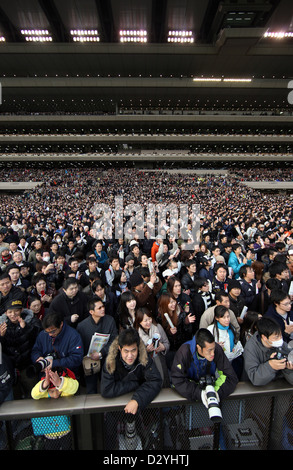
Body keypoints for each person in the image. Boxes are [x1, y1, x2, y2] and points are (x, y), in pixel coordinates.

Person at [100, 328, 162, 414]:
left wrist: (137, 400)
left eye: (133, 350)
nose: (130, 356)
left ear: (138, 347)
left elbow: (156, 380)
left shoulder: (144, 358)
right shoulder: (111, 361)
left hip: (141, 407)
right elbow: (106, 390)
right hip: (116, 410)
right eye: (126, 351)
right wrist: (135, 384)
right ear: (119, 348)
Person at [171, 328, 238, 404]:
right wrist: (200, 394)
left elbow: (231, 377)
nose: (213, 353)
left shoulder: (217, 350)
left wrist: (215, 393)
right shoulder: (184, 352)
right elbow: (177, 380)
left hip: (211, 390)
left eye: (213, 349)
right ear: (199, 347)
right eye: (209, 350)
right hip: (190, 395)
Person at [0, 299, 41, 398]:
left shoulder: (31, 320)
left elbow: (38, 338)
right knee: (15, 397)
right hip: (10, 369)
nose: (13, 314)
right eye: (10, 312)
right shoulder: (2, 325)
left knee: (33, 394)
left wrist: (25, 329)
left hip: (27, 366)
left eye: (16, 311)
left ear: (21, 310)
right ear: (6, 313)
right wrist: (1, 336)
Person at [31, 367, 79, 450]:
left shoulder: (65, 392)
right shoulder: (43, 394)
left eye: (57, 390)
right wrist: (44, 384)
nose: (56, 394)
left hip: (65, 433)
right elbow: (34, 394)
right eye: (52, 391)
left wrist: (60, 383)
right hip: (49, 436)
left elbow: (74, 386)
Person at [77, 296, 117, 394]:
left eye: (103, 306)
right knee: (91, 389)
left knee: (107, 386)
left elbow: (114, 340)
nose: (103, 309)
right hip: (89, 361)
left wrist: (101, 353)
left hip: (106, 358)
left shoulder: (110, 320)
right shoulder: (82, 326)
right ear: (91, 312)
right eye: (99, 308)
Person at [30, 311, 84, 377]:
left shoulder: (73, 336)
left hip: (67, 376)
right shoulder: (42, 334)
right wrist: (38, 358)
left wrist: (54, 363)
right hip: (45, 376)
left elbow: (77, 359)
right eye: (47, 332)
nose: (50, 335)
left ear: (61, 324)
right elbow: (35, 350)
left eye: (53, 331)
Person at [243, 316, 293, 386]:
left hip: (279, 386)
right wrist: (270, 366)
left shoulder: (281, 344)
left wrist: (289, 368)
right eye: (276, 337)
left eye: (281, 336)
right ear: (264, 337)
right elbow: (254, 378)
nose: (280, 339)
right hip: (258, 391)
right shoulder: (250, 348)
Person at [134, 307, 170, 387]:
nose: (148, 322)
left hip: (159, 360)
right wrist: (146, 350)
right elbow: (135, 352)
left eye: (149, 319)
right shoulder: (136, 333)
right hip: (145, 364)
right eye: (145, 320)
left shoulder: (158, 327)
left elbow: (167, 343)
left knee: (163, 382)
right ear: (139, 322)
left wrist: (163, 347)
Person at [207, 305, 244, 379]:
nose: (227, 320)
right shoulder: (210, 330)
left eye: (228, 317)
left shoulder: (231, 328)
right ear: (217, 318)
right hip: (217, 363)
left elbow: (235, 342)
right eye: (223, 317)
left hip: (231, 362)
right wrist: (215, 346)